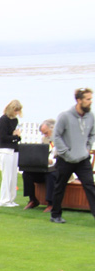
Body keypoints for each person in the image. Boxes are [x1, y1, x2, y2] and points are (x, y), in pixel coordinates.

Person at [50, 88, 95, 224]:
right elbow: (56, 136)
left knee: (90, 186)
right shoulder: (65, 116)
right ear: (79, 100)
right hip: (66, 159)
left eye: (91, 99)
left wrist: (87, 148)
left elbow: (92, 134)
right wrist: (65, 152)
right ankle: (55, 215)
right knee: (60, 187)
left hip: (83, 159)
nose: (90, 102)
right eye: (88, 99)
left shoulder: (90, 116)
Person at [20, 119, 56, 210]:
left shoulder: (63, 139)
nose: (45, 135)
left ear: (53, 128)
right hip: (46, 167)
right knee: (27, 173)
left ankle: (51, 203)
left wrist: (53, 161)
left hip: (58, 168)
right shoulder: (45, 139)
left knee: (50, 175)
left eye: (46, 133)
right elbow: (42, 153)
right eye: (44, 133)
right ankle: (33, 199)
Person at [0, 99, 22, 207]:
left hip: (14, 150)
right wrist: (15, 137)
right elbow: (3, 137)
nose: (17, 113)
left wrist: (16, 137)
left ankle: (11, 199)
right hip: (5, 150)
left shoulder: (15, 121)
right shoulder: (3, 120)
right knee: (7, 176)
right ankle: (4, 200)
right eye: (15, 111)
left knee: (13, 176)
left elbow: (15, 136)